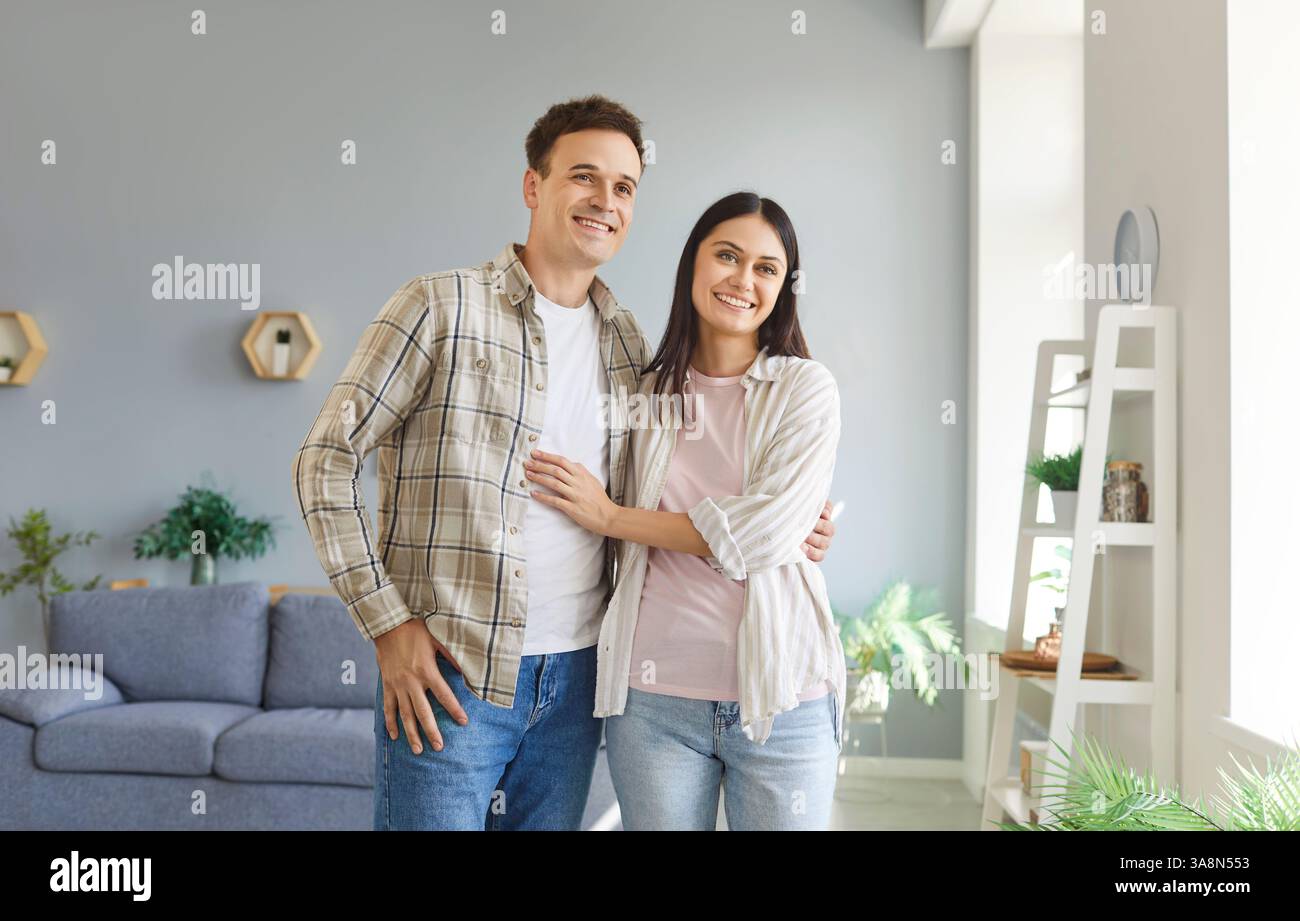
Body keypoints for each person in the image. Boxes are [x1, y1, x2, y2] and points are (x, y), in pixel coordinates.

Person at [291, 96, 838, 830]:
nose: (604, 201)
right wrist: (387, 624)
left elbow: (684, 490)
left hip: (580, 681)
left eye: (623, 187)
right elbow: (324, 460)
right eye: (584, 176)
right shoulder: (439, 306)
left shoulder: (628, 348)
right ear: (533, 186)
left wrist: (796, 527)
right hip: (456, 668)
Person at [524, 191, 846, 830]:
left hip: (782, 699)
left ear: (783, 288)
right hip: (652, 701)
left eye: (766, 268)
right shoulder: (644, 395)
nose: (742, 280)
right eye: (727, 256)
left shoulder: (806, 389)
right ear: (692, 264)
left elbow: (763, 535)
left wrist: (613, 516)